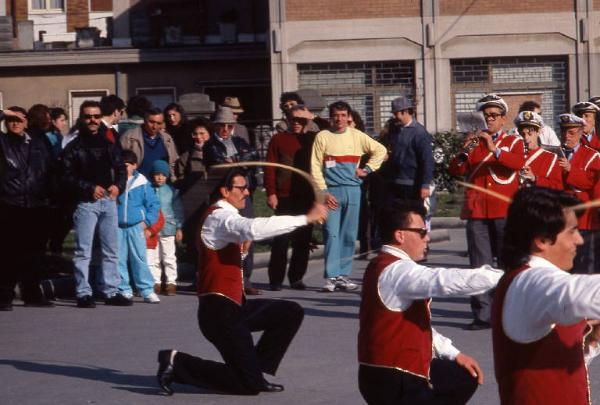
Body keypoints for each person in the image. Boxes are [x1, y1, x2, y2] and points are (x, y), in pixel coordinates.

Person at [155, 168, 328, 396]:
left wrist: (243, 253)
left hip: (235, 308)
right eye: (241, 187)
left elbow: (228, 253)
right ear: (225, 191)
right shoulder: (219, 217)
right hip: (218, 314)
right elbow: (253, 228)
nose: (246, 192)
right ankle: (177, 363)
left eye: (248, 187)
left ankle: (254, 371)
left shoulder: (227, 218)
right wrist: (306, 218)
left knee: (290, 312)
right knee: (246, 386)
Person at [358, 201, 503, 405]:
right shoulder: (398, 271)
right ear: (400, 235)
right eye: (421, 232)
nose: (427, 238)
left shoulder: (381, 264)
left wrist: (455, 354)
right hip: (395, 379)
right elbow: (443, 280)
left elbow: (415, 326)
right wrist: (507, 277)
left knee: (462, 376)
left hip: (380, 373)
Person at [492, 186, 600, 404]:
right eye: (572, 231)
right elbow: (582, 292)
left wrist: (592, 339)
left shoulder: (525, 278)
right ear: (541, 240)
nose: (579, 240)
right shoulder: (532, 281)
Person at [449, 93, 525, 330]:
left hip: (503, 209)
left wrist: (494, 148)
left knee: (507, 263)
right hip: (478, 210)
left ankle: (507, 310)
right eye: (485, 115)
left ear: (503, 119)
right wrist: (464, 149)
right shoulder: (473, 142)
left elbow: (517, 163)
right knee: (479, 266)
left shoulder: (513, 141)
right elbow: (456, 169)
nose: (489, 119)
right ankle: (483, 314)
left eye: (493, 115)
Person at [311, 100, 387, 292]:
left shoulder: (357, 136)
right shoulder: (323, 136)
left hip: (353, 191)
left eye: (343, 115)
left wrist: (367, 169)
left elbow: (381, 150)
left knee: (349, 234)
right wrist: (323, 192)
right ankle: (331, 277)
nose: (340, 119)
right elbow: (314, 166)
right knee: (331, 233)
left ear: (349, 117)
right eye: (336, 115)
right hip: (332, 191)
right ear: (330, 118)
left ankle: (343, 276)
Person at [61, 100, 131, 308]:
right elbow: (66, 175)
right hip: (86, 203)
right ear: (81, 119)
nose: (92, 120)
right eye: (88, 116)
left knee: (111, 249)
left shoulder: (109, 142)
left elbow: (121, 168)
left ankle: (111, 291)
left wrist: (118, 186)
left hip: (108, 202)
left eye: (95, 116)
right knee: (84, 250)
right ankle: (83, 292)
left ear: (100, 117)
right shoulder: (73, 146)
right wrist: (88, 187)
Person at [0, 107, 56, 310]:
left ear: (26, 122)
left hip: (36, 206)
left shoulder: (38, 143)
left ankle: (32, 294)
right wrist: (4, 112)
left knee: (34, 253)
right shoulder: (3, 142)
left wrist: (50, 198)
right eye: (10, 120)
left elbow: (50, 170)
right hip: (9, 204)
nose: (14, 123)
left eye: (18, 119)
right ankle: (4, 296)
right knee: (8, 254)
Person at [204, 106, 261, 295]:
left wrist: (237, 160)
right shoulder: (210, 145)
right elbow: (219, 162)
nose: (226, 130)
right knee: (227, 236)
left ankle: (247, 279)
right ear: (216, 126)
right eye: (222, 126)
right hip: (224, 195)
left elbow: (253, 155)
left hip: (243, 194)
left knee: (247, 233)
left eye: (230, 126)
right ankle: (228, 278)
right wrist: (240, 161)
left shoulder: (240, 141)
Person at [265, 105, 317, 290]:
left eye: (301, 120)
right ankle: (275, 279)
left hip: (306, 196)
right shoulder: (278, 139)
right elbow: (270, 167)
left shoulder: (312, 139)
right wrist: (271, 192)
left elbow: (328, 128)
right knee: (281, 238)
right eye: (293, 119)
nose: (296, 123)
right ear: (286, 120)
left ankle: (296, 278)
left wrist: (311, 116)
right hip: (284, 196)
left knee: (302, 240)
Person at [557, 113, 600, 274]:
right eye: (563, 131)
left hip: (584, 219)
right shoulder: (554, 153)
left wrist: (570, 170)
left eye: (571, 132)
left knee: (584, 264)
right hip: (561, 218)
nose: (566, 136)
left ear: (581, 132)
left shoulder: (592, 155)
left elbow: (590, 182)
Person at [116, 150, 161, 303]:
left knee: (140, 259)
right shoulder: (115, 181)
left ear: (134, 166)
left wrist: (147, 222)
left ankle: (146, 290)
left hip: (136, 226)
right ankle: (123, 289)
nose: (123, 168)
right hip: (117, 226)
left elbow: (154, 205)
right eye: (121, 165)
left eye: (127, 165)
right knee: (118, 259)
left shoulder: (142, 183)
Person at [384, 96, 434, 203]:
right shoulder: (396, 130)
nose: (394, 117)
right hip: (396, 183)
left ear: (405, 112)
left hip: (412, 184)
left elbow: (427, 160)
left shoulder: (419, 133)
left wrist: (425, 185)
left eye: (396, 113)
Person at [148, 159, 183, 296]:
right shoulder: (148, 190)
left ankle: (171, 282)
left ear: (167, 176)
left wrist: (179, 227)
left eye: (163, 174)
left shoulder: (172, 191)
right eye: (157, 174)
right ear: (152, 175)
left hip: (168, 227)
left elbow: (178, 210)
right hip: (153, 229)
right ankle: (155, 282)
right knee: (154, 258)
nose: (160, 177)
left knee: (168, 257)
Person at [120, 107, 179, 181]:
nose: (154, 126)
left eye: (158, 123)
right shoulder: (129, 137)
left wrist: (173, 180)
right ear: (145, 120)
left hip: (162, 186)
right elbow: (120, 162)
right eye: (151, 122)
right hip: (138, 185)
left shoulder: (167, 138)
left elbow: (173, 163)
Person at [514, 111, 562, 189]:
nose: (526, 138)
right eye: (523, 134)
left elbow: (558, 187)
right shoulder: (514, 155)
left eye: (530, 134)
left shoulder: (550, 157)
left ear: (538, 132)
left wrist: (535, 179)